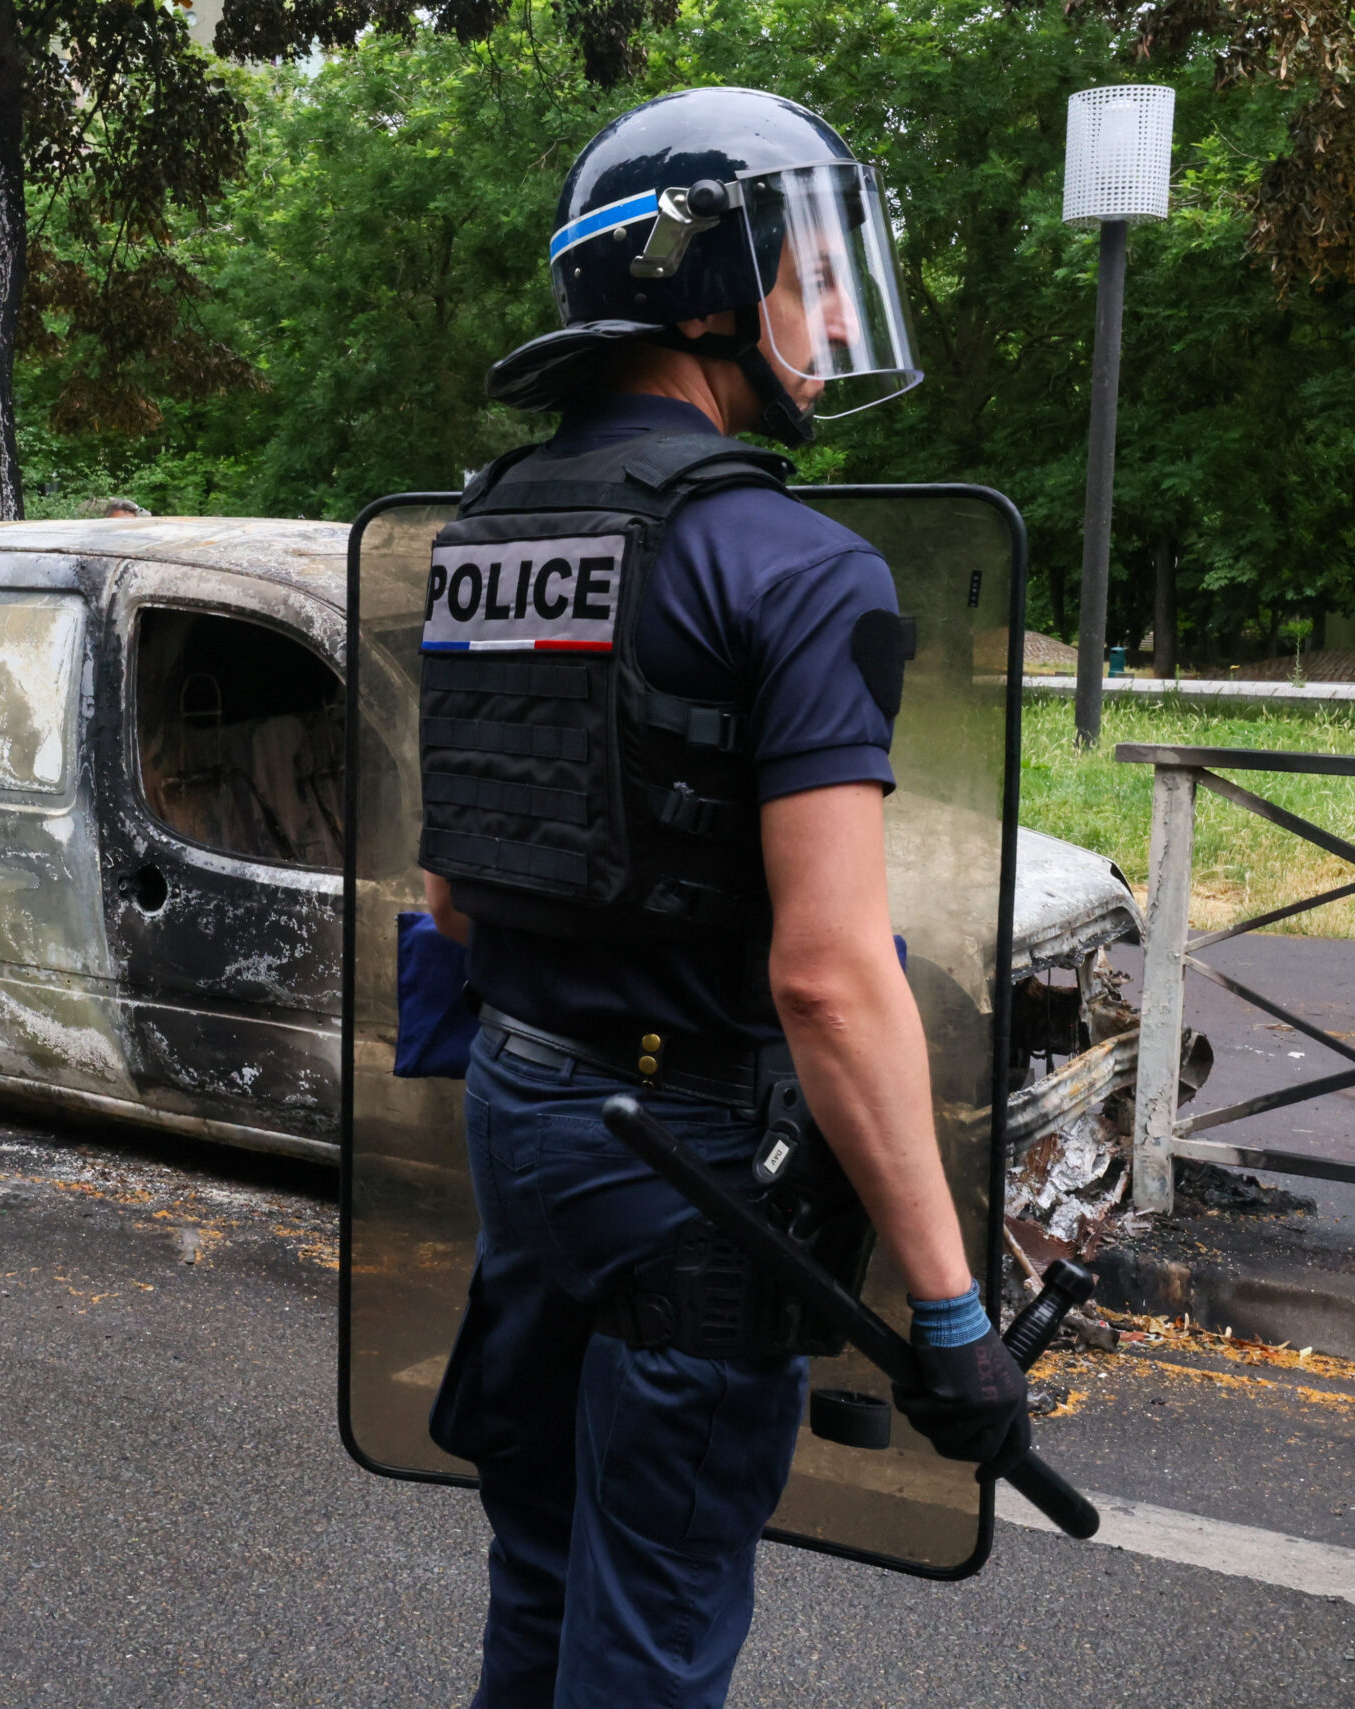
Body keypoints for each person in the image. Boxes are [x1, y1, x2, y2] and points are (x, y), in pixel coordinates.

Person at [417, 86, 1031, 1707]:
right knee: (656, 1631)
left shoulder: (486, 533)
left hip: (522, 1114)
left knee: (539, 1569)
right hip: (690, 1163)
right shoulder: (800, 566)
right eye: (805, 270)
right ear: (703, 290)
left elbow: (458, 896)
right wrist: (955, 1310)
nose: (833, 312)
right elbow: (831, 977)